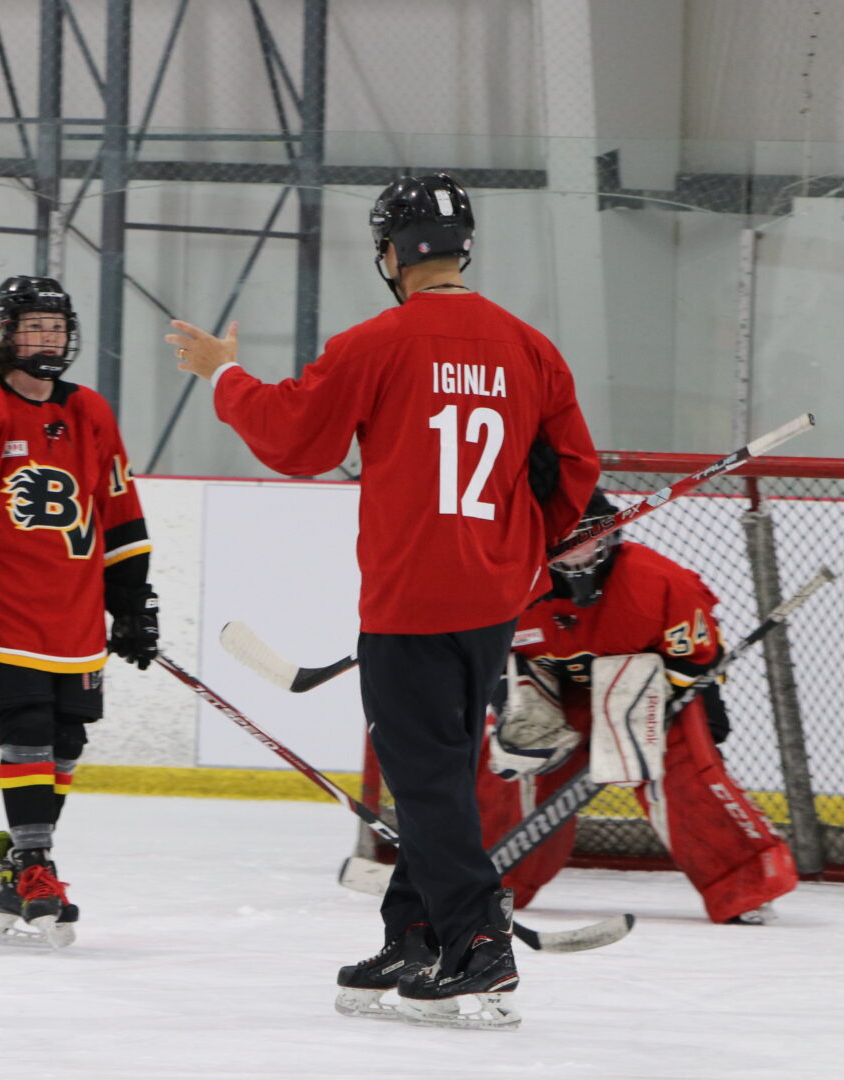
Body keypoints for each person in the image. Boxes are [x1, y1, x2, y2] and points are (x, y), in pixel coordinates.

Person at [166, 173, 598, 1029]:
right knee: (429, 768)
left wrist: (224, 375)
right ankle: (415, 935)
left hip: (410, 597)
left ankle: (476, 944)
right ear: (463, 247)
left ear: (393, 254)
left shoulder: (378, 343)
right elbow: (574, 473)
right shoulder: (530, 348)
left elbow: (296, 437)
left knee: (428, 775)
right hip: (489, 601)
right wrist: (520, 544)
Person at [0, 275, 160, 950]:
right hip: (10, 607)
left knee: (69, 739)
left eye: (56, 327)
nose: (47, 338)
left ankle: (17, 860)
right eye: (33, 326)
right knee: (25, 728)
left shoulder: (91, 412)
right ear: (5, 334)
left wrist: (133, 601)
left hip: (76, 614)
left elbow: (121, 515)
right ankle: (34, 863)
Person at [477, 490, 798, 925]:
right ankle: (483, 878)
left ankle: (745, 885)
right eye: (560, 538)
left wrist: (699, 726)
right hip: (556, 694)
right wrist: (512, 706)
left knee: (682, 770)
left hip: (650, 691)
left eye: (584, 537)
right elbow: (488, 660)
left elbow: (695, 663)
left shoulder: (662, 583)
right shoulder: (507, 588)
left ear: (610, 534)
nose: (572, 549)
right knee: (513, 763)